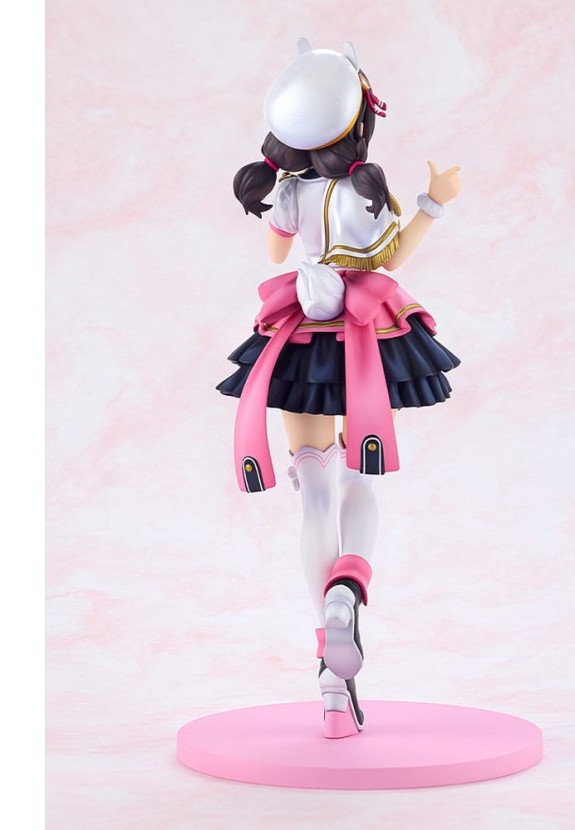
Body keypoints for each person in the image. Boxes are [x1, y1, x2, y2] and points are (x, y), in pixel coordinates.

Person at [217, 39, 462, 739]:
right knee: (361, 476)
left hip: (301, 335)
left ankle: (330, 671)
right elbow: (391, 256)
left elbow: (276, 250)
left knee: (314, 488)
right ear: (358, 120)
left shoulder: (293, 192)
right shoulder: (365, 192)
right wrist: (433, 203)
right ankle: (349, 585)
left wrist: (283, 206)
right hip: (366, 336)